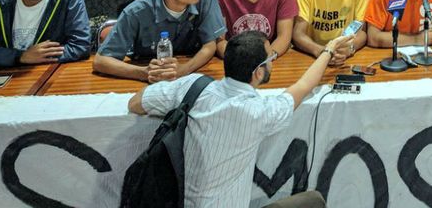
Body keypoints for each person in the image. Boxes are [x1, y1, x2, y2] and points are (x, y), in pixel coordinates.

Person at [127, 30, 337, 208]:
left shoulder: (193, 86)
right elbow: (302, 86)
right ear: (258, 72)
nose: (272, 63)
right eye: (270, 59)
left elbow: (135, 103)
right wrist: (328, 50)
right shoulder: (258, 112)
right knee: (314, 200)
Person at [94, 0, 226, 82]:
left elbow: (210, 45)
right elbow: (100, 61)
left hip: (192, 74)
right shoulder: (136, 11)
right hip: (148, 77)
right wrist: (144, 73)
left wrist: (183, 70)